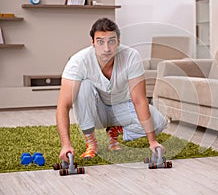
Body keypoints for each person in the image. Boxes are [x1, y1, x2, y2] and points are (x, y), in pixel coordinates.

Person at [56, 18, 168, 161]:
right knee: (84, 86)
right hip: (95, 111)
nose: (107, 48)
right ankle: (91, 143)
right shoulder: (79, 61)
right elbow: (63, 106)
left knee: (159, 122)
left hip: (122, 107)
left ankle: (114, 132)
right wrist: (66, 145)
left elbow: (139, 100)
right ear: (93, 42)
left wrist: (152, 141)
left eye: (111, 41)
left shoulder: (131, 56)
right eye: (100, 41)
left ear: (118, 41)